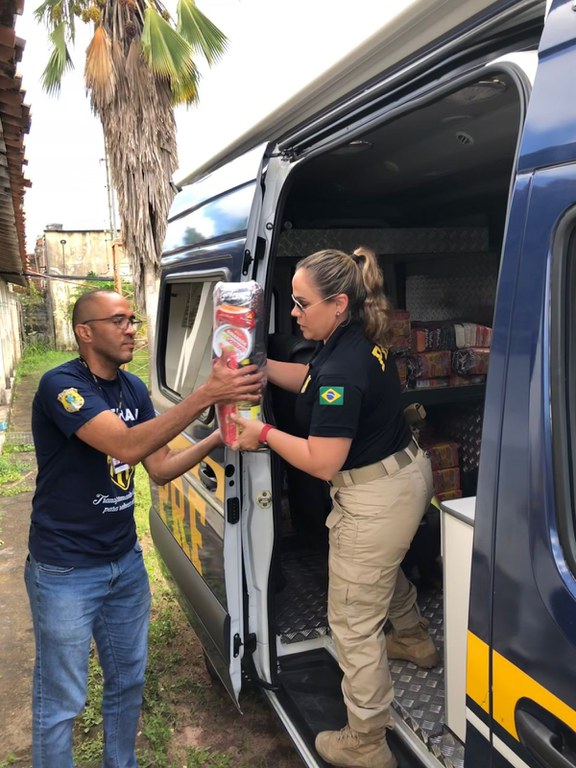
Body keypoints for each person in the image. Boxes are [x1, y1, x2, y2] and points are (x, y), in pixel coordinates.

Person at [25, 288, 263, 768]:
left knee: (128, 681)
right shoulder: (61, 387)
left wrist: (222, 434)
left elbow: (159, 465)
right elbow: (127, 446)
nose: (132, 328)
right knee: (63, 700)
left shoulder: (132, 389)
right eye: (119, 320)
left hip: (124, 564)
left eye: (133, 319)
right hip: (66, 570)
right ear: (85, 332)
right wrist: (207, 394)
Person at [232, 248, 437, 768]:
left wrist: (262, 433)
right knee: (377, 571)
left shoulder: (343, 364)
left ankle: (366, 742)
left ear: (339, 302)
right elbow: (310, 380)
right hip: (405, 475)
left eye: (301, 303)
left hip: (374, 496)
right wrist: (257, 367)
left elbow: (323, 461)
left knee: (351, 620)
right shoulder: (353, 340)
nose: (294, 313)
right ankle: (413, 639)